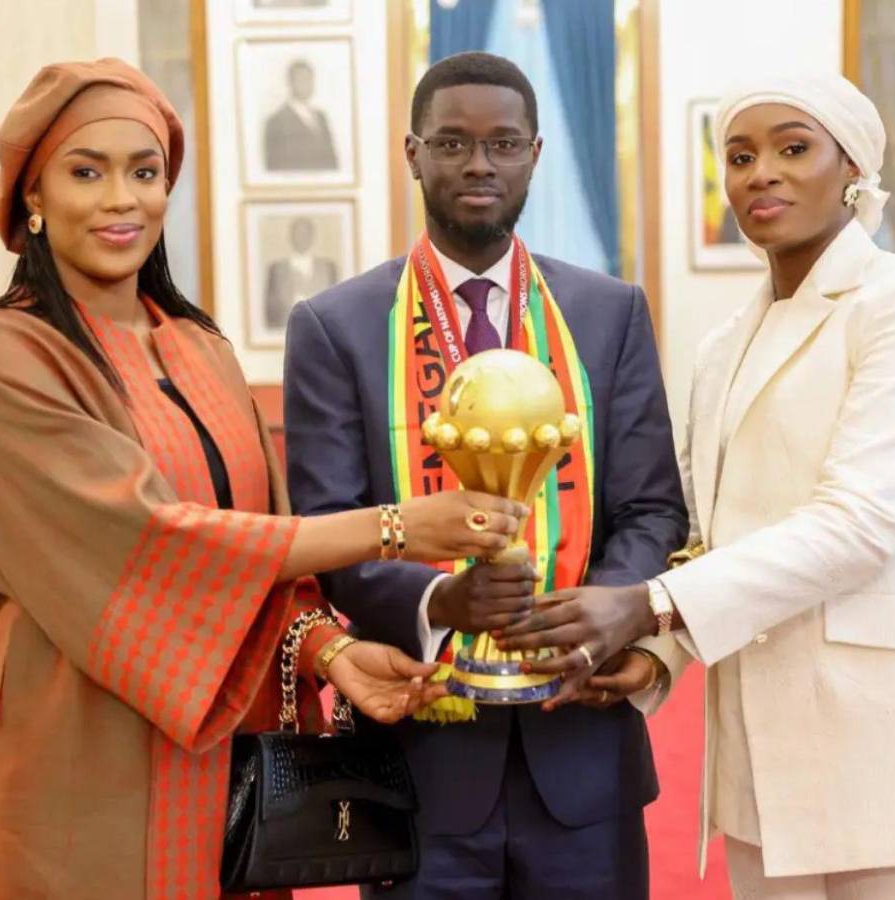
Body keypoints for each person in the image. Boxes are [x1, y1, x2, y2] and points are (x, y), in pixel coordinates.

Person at [0, 58, 524, 900]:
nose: (120, 199)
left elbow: (258, 549)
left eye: (144, 173)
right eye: (85, 171)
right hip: (76, 764)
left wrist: (334, 648)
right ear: (31, 196)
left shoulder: (196, 346)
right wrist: (393, 527)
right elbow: (152, 543)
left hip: (226, 766)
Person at [497, 73, 895, 898]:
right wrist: (658, 657)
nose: (761, 172)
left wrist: (647, 603)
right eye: (739, 156)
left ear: (853, 170)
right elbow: (716, 538)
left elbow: (860, 522)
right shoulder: (723, 344)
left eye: (794, 149)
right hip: (768, 767)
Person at [282, 52, 688, 899]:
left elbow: (650, 508)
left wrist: (602, 616)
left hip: (583, 747)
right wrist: (440, 604)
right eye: (453, 142)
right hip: (418, 756)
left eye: (503, 143)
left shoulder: (609, 314)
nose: (479, 164)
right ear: (412, 153)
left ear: (537, 154)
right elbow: (328, 527)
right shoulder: (336, 327)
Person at [263, 59, 337, 171]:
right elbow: (274, 167)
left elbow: (333, 161)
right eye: (301, 79)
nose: (307, 84)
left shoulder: (321, 117)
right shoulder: (275, 122)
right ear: (290, 83)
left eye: (309, 79)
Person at [264, 216, 337, 329]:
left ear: (312, 237)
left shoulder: (328, 268)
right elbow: (270, 311)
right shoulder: (276, 269)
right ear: (291, 237)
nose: (301, 238)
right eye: (298, 234)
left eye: (305, 234)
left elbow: (334, 309)